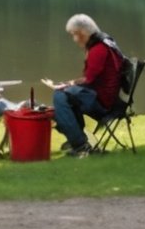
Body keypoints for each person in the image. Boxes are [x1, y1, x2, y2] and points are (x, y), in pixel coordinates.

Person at [41, 13, 122, 156]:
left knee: (60, 97)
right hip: (103, 96)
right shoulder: (102, 43)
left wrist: (65, 86)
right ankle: (77, 140)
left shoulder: (98, 49)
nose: (74, 39)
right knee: (64, 99)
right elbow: (89, 79)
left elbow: (88, 80)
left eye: (74, 34)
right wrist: (67, 85)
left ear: (83, 33)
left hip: (103, 102)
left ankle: (79, 145)